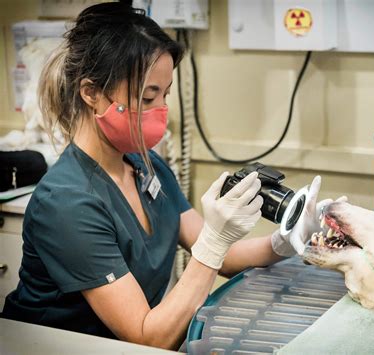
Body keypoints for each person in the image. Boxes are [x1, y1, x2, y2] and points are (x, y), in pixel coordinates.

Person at [1, 2, 342, 350]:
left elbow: (226, 257)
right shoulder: (67, 202)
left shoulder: (146, 166)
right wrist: (213, 242)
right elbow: (149, 335)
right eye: (148, 96)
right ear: (91, 93)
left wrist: (285, 240)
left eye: (164, 94)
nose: (160, 111)